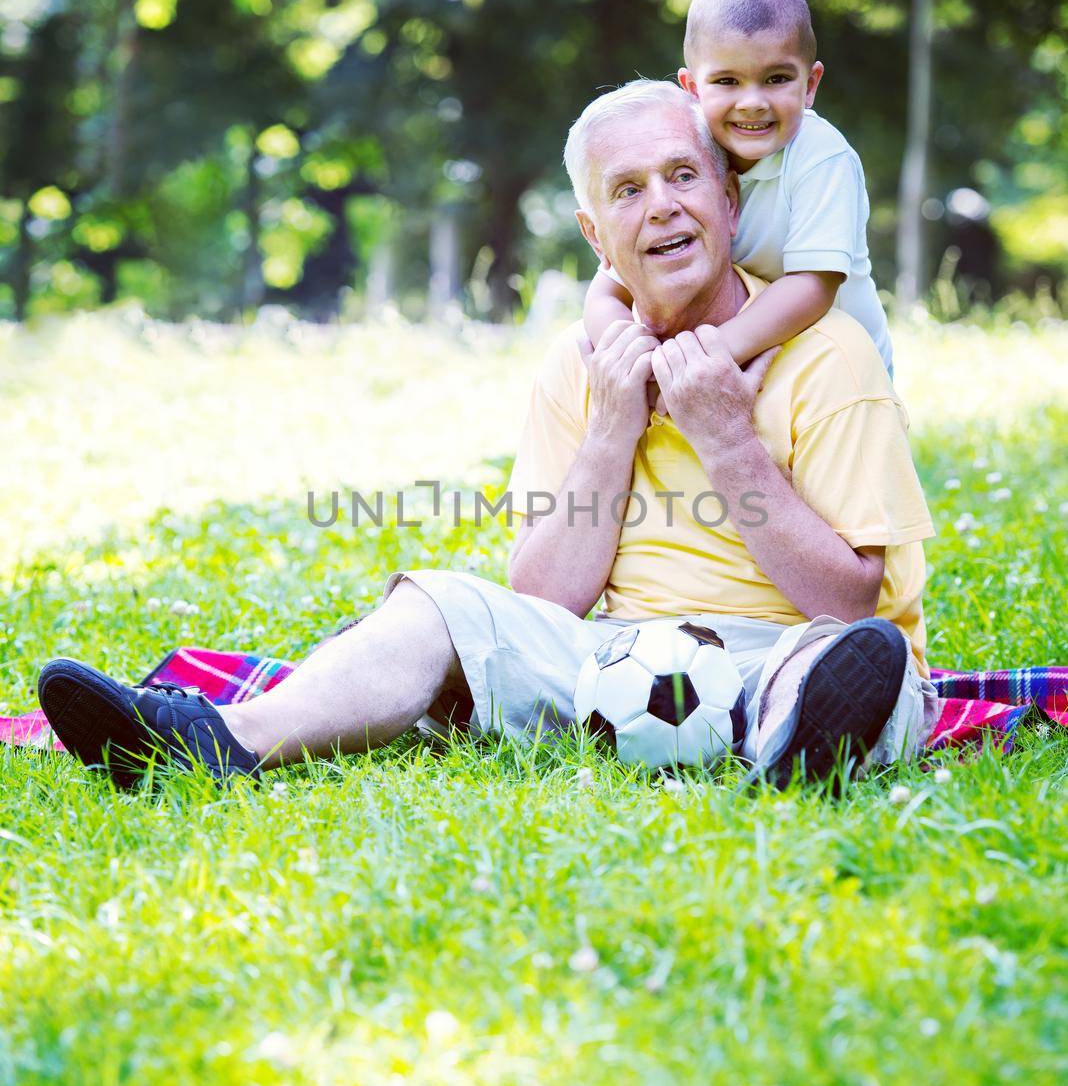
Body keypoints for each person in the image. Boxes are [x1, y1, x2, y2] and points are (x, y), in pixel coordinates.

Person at [36, 81, 938, 790]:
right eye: (627, 191)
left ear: (730, 200)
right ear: (595, 234)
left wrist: (728, 441)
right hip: (618, 663)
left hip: (791, 648)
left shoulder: (827, 355)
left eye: (682, 175)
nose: (661, 206)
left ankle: (797, 737)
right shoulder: (577, 367)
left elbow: (850, 603)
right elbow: (544, 600)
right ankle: (218, 740)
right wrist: (613, 429)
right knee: (440, 605)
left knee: (863, 668)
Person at [584, 0, 894, 379]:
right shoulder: (688, 158)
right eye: (727, 81)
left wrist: (711, 354)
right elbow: (607, 288)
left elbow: (812, 286)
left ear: (811, 83)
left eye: (777, 79)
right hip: (745, 365)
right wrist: (628, 355)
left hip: (837, 376)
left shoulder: (820, 157)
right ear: (692, 89)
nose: (751, 103)